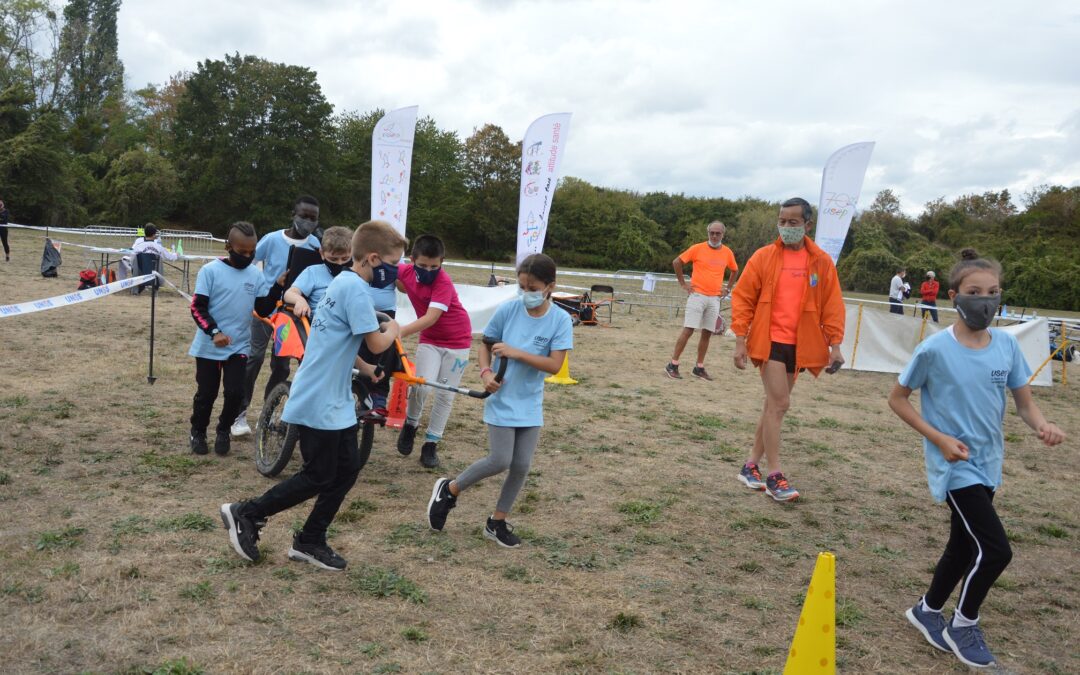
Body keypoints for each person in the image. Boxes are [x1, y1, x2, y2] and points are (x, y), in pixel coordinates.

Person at [888, 253, 1064, 669]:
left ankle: (927, 611)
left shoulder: (1006, 344)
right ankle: (963, 624)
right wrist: (940, 439)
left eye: (992, 293)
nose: (984, 301)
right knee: (996, 550)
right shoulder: (933, 350)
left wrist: (1042, 425)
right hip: (955, 466)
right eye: (974, 293)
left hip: (990, 462)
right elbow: (897, 400)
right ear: (953, 297)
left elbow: (1024, 403)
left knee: (964, 545)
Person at [221, 220, 406, 570]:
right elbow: (378, 341)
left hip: (333, 397)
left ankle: (310, 539)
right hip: (320, 395)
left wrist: (366, 369)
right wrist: (396, 327)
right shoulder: (353, 290)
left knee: (347, 468)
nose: (394, 271)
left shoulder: (343, 284)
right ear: (372, 258)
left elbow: (340, 339)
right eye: (392, 263)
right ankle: (246, 513)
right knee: (318, 475)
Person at [426, 253, 572, 548]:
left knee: (520, 466)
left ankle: (497, 522)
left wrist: (517, 352)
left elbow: (555, 366)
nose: (526, 294)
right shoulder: (507, 311)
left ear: (550, 287)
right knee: (500, 459)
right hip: (502, 396)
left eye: (533, 289)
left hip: (530, 400)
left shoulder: (560, 320)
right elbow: (485, 345)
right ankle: (450, 490)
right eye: (522, 287)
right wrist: (484, 373)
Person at [731, 197, 846, 501]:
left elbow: (832, 306)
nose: (785, 227)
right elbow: (742, 299)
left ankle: (750, 465)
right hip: (769, 342)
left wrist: (835, 345)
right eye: (782, 221)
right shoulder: (763, 257)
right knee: (780, 404)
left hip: (802, 345)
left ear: (808, 225)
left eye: (792, 222)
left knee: (773, 405)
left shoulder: (821, 262)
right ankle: (774, 475)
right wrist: (740, 340)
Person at [188, 222, 286, 456]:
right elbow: (197, 308)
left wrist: (276, 289)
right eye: (242, 252)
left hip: (239, 346)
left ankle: (223, 430)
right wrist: (214, 332)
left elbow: (262, 310)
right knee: (207, 393)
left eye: (252, 252)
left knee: (235, 392)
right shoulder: (209, 271)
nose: (248, 256)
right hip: (209, 346)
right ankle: (198, 431)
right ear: (228, 247)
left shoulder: (255, 274)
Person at [233, 196, 322, 437]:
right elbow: (250, 261)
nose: (308, 222)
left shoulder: (316, 245)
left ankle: (269, 413)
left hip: (291, 316)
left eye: (313, 218)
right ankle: (239, 414)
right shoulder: (272, 239)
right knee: (253, 358)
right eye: (304, 216)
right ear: (293, 213)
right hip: (264, 312)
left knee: (281, 365)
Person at [394, 234, 473, 468]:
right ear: (411, 260)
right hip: (430, 340)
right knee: (420, 385)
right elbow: (389, 274)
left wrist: (400, 332)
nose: (429, 270)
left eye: (434, 266)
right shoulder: (404, 271)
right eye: (423, 266)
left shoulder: (443, 283)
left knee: (446, 394)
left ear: (442, 263)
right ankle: (410, 424)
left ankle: (431, 444)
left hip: (458, 342)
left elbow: (431, 317)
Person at [665, 221, 740, 381]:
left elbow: (735, 270)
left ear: (723, 234)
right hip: (697, 296)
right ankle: (673, 364)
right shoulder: (697, 248)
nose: (714, 236)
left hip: (714, 298)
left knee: (707, 333)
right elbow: (677, 262)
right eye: (711, 232)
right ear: (708, 233)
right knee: (689, 330)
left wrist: (728, 288)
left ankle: (699, 367)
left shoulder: (727, 252)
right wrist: (683, 284)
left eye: (717, 233)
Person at [283, 226, 353, 320]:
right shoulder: (313, 272)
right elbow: (289, 293)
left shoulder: (357, 273)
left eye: (345, 258)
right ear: (322, 253)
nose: (339, 263)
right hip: (321, 326)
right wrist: (300, 300)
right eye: (333, 259)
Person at [0, 198, 10, 262]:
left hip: (3, 229)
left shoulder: (6, 211)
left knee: (5, 243)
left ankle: (7, 256)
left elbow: (4, 220)